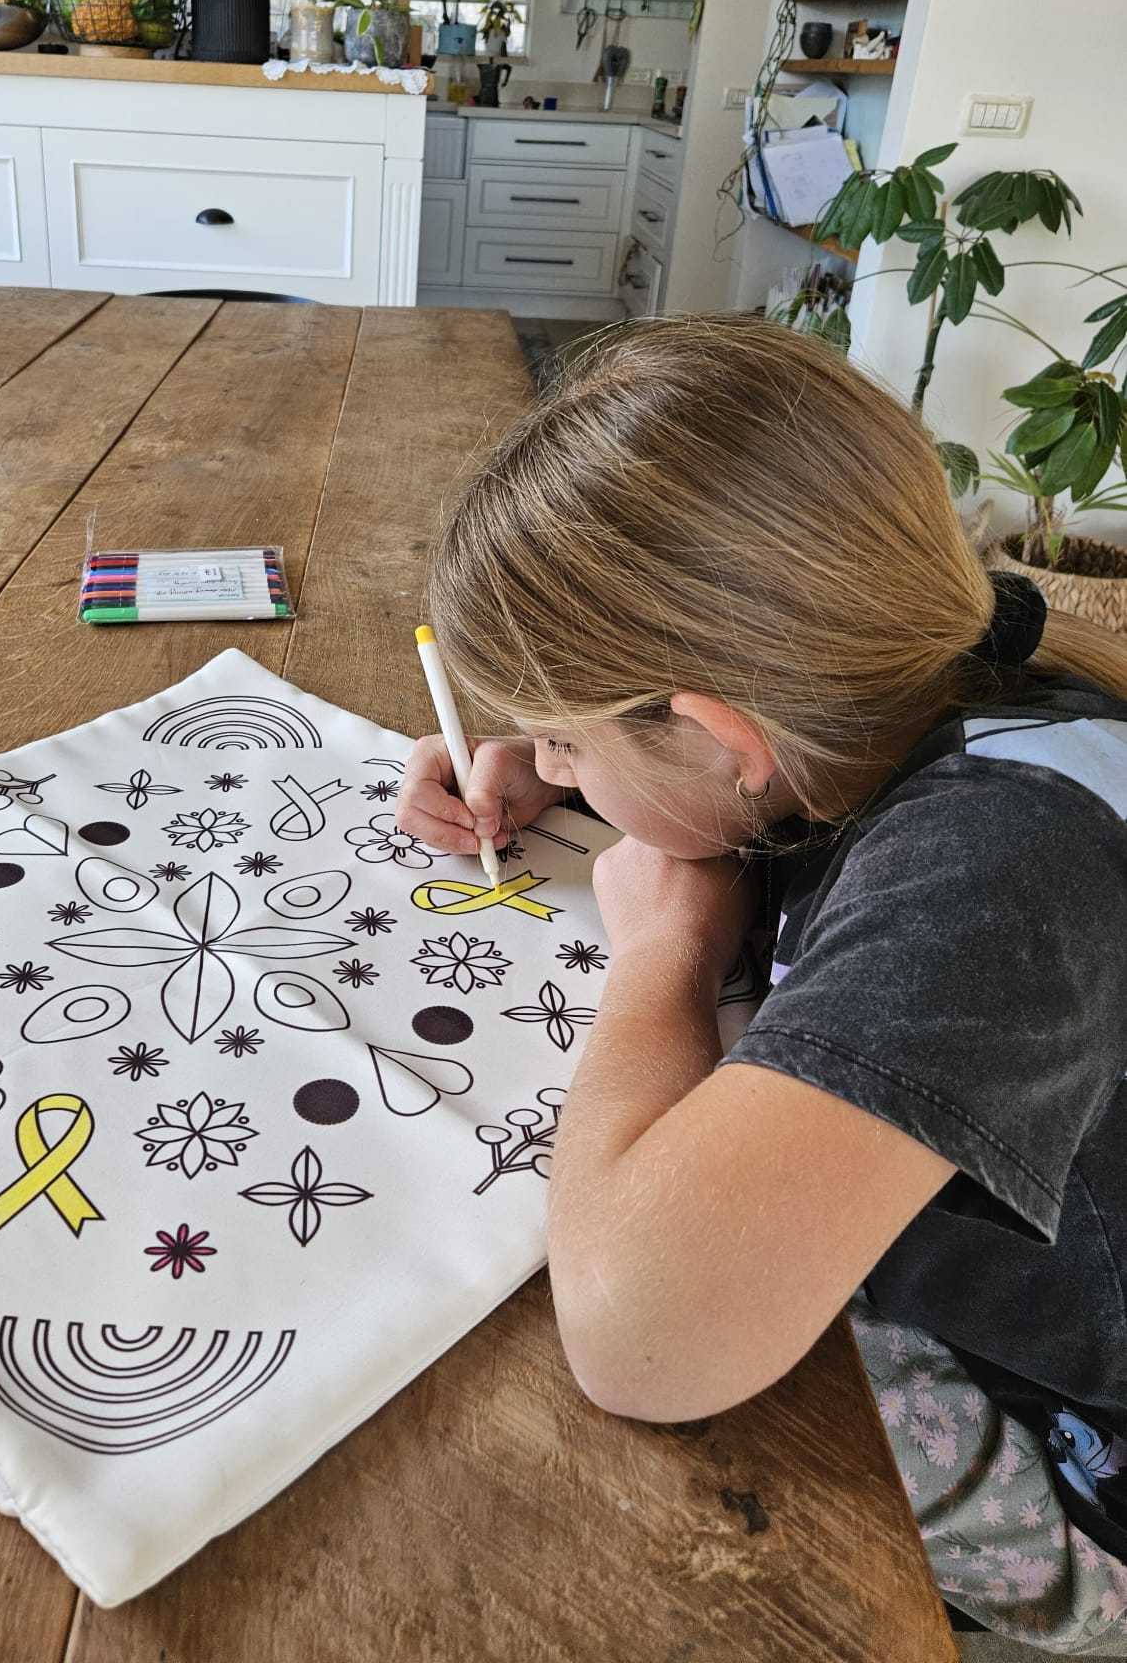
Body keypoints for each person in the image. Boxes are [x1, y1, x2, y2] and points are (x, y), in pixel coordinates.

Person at [396, 316, 1127, 1651]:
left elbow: (640, 1339)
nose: (545, 770)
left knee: (552, 1457)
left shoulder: (1003, 868)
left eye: (564, 744)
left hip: (1080, 1458)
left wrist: (664, 951)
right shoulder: (890, 676)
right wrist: (558, 754)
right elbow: (714, 767)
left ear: (722, 735)